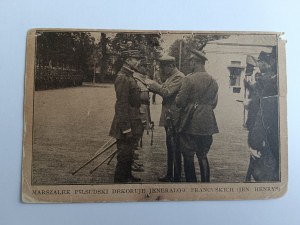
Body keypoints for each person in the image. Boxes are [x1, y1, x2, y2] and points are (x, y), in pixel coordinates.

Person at [176, 49, 219, 182]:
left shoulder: (188, 79)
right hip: (208, 123)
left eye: (191, 62)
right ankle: (205, 183)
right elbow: (214, 103)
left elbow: (180, 102)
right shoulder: (213, 80)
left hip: (190, 122)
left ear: (195, 62)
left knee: (188, 155)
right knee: (202, 155)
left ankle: (191, 184)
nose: (190, 65)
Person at [145, 55, 185, 182]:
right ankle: (170, 174)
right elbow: (164, 90)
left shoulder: (179, 77)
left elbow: (166, 92)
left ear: (171, 66)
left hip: (174, 117)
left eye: (163, 68)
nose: (162, 71)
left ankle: (176, 176)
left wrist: (153, 84)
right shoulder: (171, 77)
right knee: (170, 146)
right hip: (169, 116)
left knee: (174, 147)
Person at [109, 50, 144, 183]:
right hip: (126, 122)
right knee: (123, 153)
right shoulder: (123, 77)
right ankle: (119, 181)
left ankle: (128, 175)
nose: (138, 62)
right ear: (128, 60)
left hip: (133, 120)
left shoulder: (129, 76)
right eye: (136, 59)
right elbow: (121, 105)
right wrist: (126, 128)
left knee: (129, 152)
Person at [244, 49, 279, 181]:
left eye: (260, 62)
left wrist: (254, 141)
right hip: (265, 127)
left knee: (262, 164)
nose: (259, 65)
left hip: (264, 128)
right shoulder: (269, 78)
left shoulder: (267, 80)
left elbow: (260, 107)